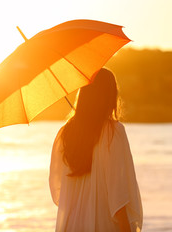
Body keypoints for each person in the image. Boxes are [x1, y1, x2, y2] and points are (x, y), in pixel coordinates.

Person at [49, 68, 143, 232]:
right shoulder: (113, 132)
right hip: (102, 224)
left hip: (71, 225)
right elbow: (118, 194)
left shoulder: (65, 134)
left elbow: (57, 191)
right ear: (109, 96)